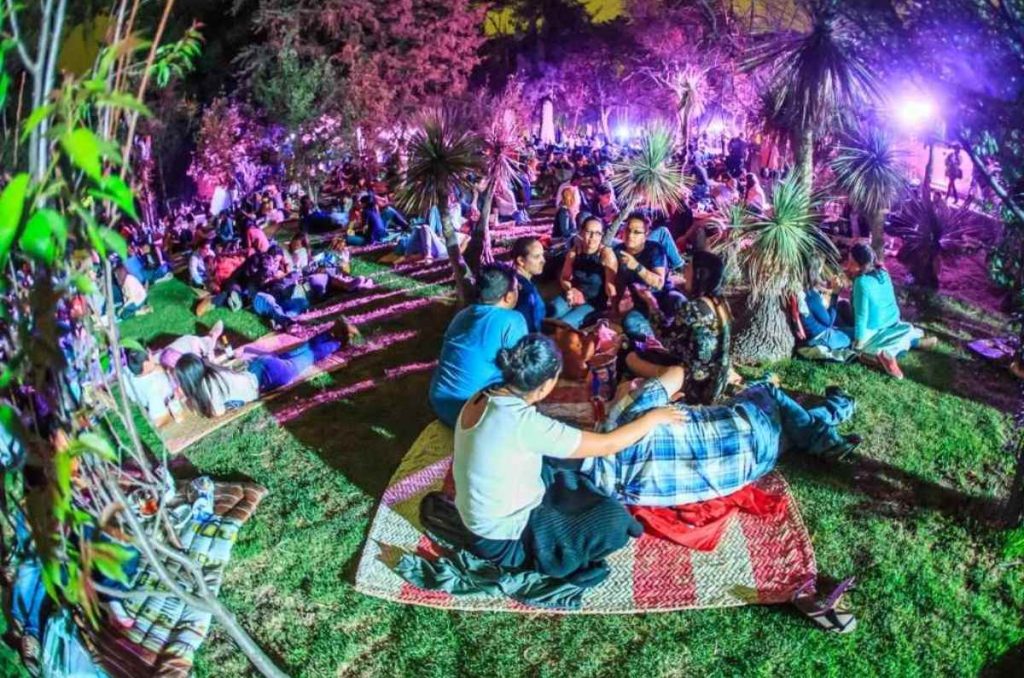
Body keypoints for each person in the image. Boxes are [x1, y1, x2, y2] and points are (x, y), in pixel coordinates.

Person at [450, 334, 684, 579]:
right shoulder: (524, 424)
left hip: (482, 523)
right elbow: (608, 445)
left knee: (564, 466)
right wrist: (653, 418)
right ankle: (552, 557)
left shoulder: (482, 396)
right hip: (504, 542)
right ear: (546, 385)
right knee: (613, 521)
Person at [583, 368, 861, 508]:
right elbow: (678, 372)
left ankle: (837, 409)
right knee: (766, 390)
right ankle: (825, 438)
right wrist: (627, 393)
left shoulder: (615, 493)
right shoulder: (628, 417)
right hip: (747, 429)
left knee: (788, 428)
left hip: (750, 467)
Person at [174, 318, 360, 418]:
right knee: (303, 350)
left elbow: (217, 413)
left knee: (311, 355)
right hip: (259, 367)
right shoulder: (212, 373)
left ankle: (341, 340)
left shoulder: (208, 390)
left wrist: (190, 401)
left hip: (269, 375)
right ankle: (333, 331)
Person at [623, 251, 733, 405]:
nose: (685, 270)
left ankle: (673, 389)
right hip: (717, 381)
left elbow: (664, 337)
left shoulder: (694, 308)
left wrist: (651, 303)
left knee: (631, 358)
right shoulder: (721, 304)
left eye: (689, 266)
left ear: (699, 274)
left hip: (696, 384)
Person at [429, 265, 529, 427]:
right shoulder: (512, 320)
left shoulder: (463, 315)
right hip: (468, 410)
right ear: (509, 297)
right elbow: (523, 369)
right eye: (517, 287)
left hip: (440, 401)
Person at [845, 244, 936, 379]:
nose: (848, 265)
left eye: (851, 262)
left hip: (876, 327)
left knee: (863, 349)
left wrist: (858, 342)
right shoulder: (882, 272)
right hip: (893, 320)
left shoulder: (861, 282)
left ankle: (883, 359)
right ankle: (916, 342)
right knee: (906, 331)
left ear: (861, 265)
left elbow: (861, 315)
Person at [613, 214, 686, 341]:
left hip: (663, 297)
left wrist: (636, 266)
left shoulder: (655, 249)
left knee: (679, 301)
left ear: (645, 235)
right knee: (629, 323)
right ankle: (657, 340)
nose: (631, 235)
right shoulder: (618, 251)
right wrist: (615, 307)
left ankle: (671, 334)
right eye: (628, 230)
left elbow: (659, 283)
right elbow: (618, 283)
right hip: (642, 305)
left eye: (637, 232)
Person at [549, 217, 618, 328]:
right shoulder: (574, 253)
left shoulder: (606, 255)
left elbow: (610, 287)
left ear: (601, 235)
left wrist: (613, 309)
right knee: (551, 311)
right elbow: (564, 277)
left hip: (594, 303)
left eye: (597, 233)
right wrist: (570, 290)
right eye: (589, 232)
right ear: (581, 232)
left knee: (565, 324)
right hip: (575, 295)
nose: (592, 237)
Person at [797, 257, 851, 353]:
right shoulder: (810, 296)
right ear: (815, 272)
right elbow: (829, 322)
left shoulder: (804, 290)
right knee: (855, 334)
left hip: (819, 334)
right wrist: (835, 294)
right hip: (822, 338)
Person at [512, 237, 547, 333]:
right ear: (521, 261)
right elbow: (531, 329)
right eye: (537, 257)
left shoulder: (509, 278)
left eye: (542, 255)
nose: (543, 260)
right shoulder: (527, 293)